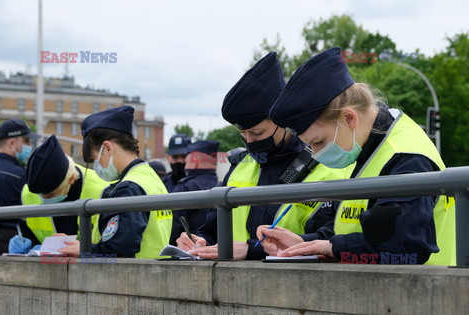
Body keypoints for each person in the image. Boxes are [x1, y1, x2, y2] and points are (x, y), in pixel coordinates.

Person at [257, 47, 455, 265]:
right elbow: (352, 228)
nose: (315, 154)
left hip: (425, 293)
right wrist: (304, 243)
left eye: (318, 141)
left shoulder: (405, 156)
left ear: (349, 118)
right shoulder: (367, 146)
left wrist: (333, 248)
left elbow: (402, 248)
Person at [178, 52, 342, 260]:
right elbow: (212, 229)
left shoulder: (326, 162)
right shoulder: (241, 165)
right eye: (243, 135)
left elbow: (331, 239)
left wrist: (252, 250)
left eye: (257, 133)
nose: (250, 142)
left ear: (284, 120)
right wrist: (199, 241)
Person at [59, 105, 172, 258]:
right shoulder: (150, 178)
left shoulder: (128, 188)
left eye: (94, 160)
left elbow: (119, 248)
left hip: (130, 278)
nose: (97, 167)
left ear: (107, 148)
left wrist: (85, 249)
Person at [6, 135, 111, 253]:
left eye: (51, 195)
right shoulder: (28, 193)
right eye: (40, 194)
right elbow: (27, 234)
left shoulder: (101, 191)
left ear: (71, 179)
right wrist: (27, 243)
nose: (43, 199)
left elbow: (113, 245)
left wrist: (87, 249)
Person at [0, 119, 41, 254]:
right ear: (12, 143)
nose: (30, 145)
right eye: (26, 141)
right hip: (11, 244)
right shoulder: (21, 175)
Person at [169, 140, 220, 245]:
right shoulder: (222, 186)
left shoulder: (184, 187)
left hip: (189, 252)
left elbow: (174, 228)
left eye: (187, 161)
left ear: (195, 161)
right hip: (218, 251)